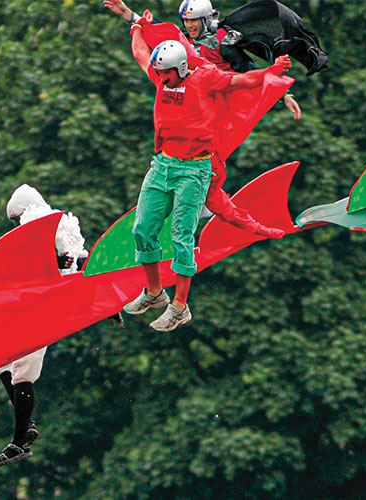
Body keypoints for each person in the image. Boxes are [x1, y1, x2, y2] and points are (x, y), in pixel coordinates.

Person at [119, 15, 290, 332]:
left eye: (166, 73)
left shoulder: (206, 78)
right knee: (142, 229)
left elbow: (243, 82)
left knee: (181, 237)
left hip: (195, 169)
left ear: (182, 68)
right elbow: (140, 53)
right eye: (159, 73)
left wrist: (271, 72)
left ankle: (180, 307)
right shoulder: (160, 79)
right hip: (163, 164)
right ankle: (155, 293)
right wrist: (136, 27)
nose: (161, 78)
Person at [0, 184, 95, 467]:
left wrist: (105, 305)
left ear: (25, 212)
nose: (15, 224)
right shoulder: (49, 232)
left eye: (16, 218)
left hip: (44, 310)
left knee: (22, 371)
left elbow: (74, 263)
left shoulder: (46, 229)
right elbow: (80, 260)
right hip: (31, 307)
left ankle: (19, 440)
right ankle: (27, 425)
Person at [104, 0, 304, 120]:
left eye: (194, 20)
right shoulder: (185, 40)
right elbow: (157, 30)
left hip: (223, 95)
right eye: (186, 20)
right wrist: (127, 13)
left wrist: (283, 94)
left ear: (206, 19)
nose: (189, 25)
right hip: (197, 100)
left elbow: (248, 70)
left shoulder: (223, 41)